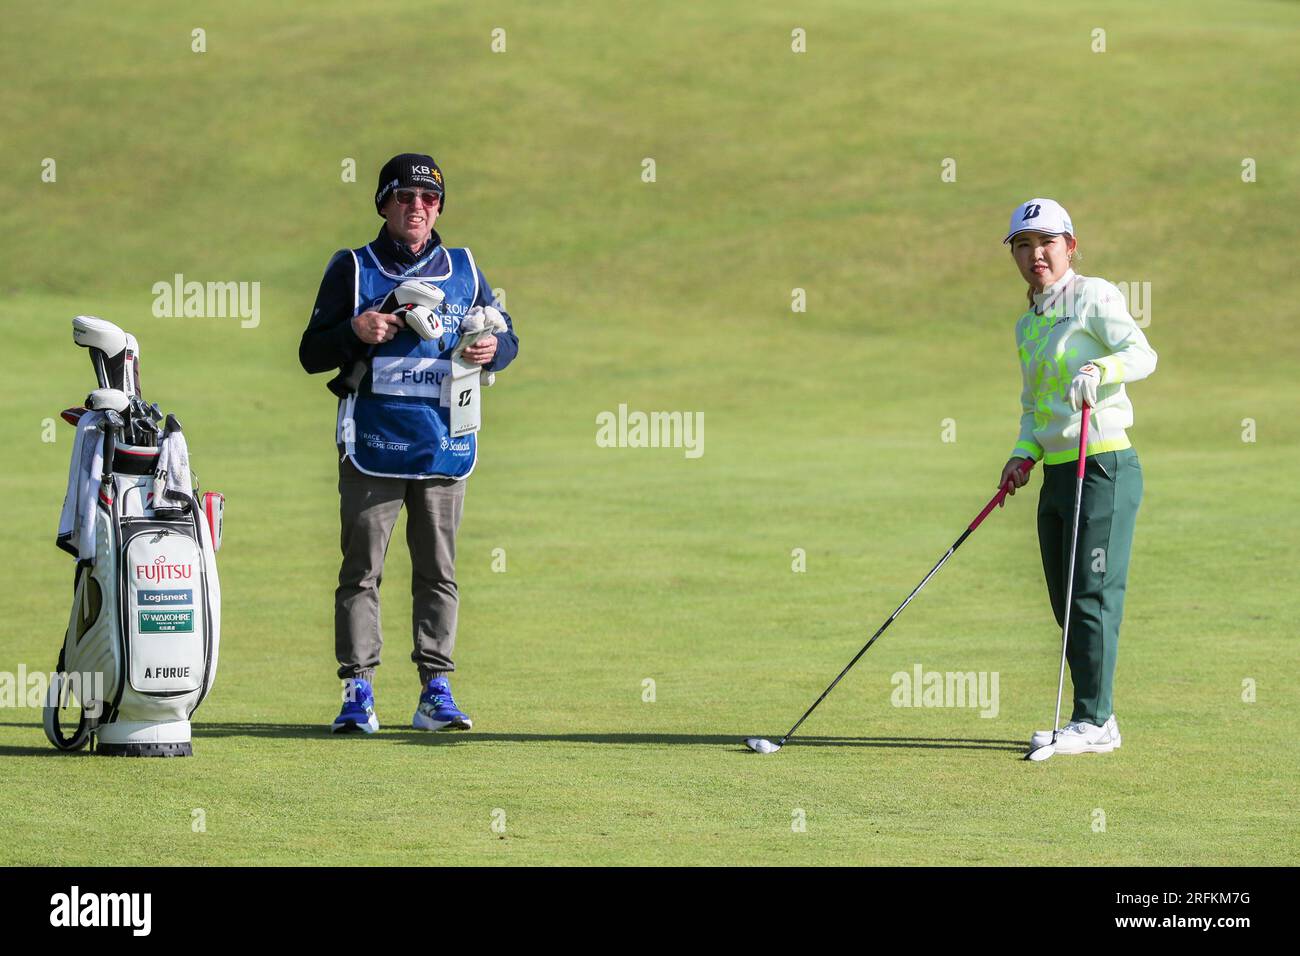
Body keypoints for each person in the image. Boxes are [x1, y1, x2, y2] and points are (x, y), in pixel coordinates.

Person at [299, 152, 519, 734]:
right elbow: (310, 354)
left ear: (439, 207)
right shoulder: (353, 267)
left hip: (445, 444)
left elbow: (506, 336)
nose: (416, 207)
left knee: (439, 572)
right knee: (362, 569)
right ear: (383, 203)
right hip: (372, 442)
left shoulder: (465, 267)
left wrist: (493, 351)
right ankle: (357, 690)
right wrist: (353, 330)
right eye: (404, 196)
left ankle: (435, 691)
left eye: (428, 198)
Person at [997, 198, 1156, 755]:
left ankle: (1096, 721)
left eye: (1046, 242)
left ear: (1070, 245)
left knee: (1091, 590)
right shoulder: (1028, 323)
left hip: (1105, 465)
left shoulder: (1095, 295)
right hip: (1058, 473)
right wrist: (1022, 455)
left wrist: (1100, 368)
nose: (1035, 254)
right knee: (1063, 598)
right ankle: (1088, 717)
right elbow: (1033, 406)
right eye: (1023, 244)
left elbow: (1141, 353)